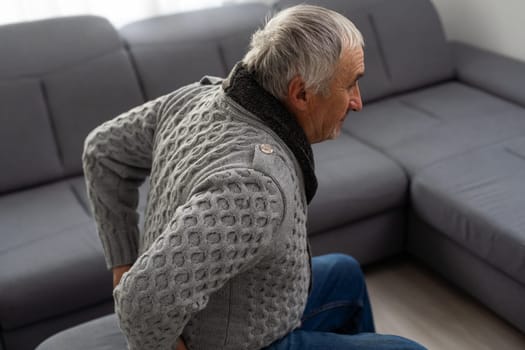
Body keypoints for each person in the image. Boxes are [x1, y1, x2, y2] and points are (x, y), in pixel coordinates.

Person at [83, 4, 426, 350]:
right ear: (301, 93)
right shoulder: (254, 186)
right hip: (237, 342)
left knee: (345, 273)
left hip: (249, 304)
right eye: (350, 85)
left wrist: (124, 262)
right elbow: (140, 304)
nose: (357, 102)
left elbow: (102, 149)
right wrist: (125, 273)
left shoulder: (194, 98)